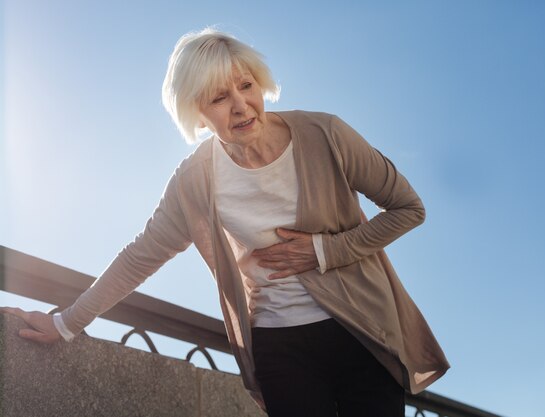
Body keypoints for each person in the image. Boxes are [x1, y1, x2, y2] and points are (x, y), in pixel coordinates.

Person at [1, 28, 449, 417]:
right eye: (219, 97)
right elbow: (141, 255)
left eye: (246, 86)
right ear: (196, 112)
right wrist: (66, 323)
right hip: (280, 343)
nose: (241, 106)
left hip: (365, 332)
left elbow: (409, 208)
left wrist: (324, 251)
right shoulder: (196, 181)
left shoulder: (325, 134)